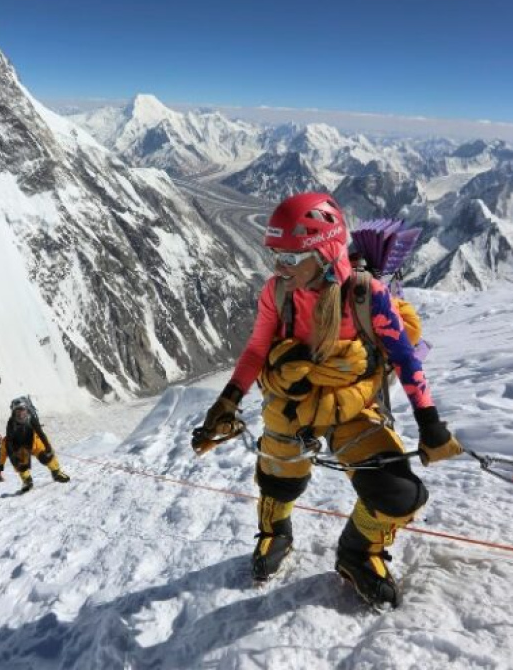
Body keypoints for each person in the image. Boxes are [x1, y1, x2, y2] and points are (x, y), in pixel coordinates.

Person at [193, 192, 462, 608]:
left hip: (352, 404)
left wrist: (430, 422)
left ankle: (358, 551)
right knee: (278, 479)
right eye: (277, 255)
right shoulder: (278, 292)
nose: (280, 267)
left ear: (323, 251)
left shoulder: (365, 294)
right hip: (296, 402)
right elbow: (255, 351)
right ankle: (275, 531)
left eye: (289, 256)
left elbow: (405, 358)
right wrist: (227, 402)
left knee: (397, 495)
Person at [3, 397, 71, 493]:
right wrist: (13, 458)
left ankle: (56, 473)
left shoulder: (31, 418)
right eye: (18, 411)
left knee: (46, 456)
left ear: (26, 409)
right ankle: (27, 481)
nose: (21, 413)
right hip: (20, 447)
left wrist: (47, 446)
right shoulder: (11, 423)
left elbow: (40, 432)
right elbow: (9, 442)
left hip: (34, 443)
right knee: (20, 464)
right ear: (14, 412)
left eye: (22, 410)